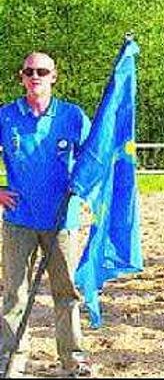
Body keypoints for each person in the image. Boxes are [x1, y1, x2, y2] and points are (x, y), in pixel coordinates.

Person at [0, 53, 95, 377]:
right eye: (30, 71)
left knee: (66, 294)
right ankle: (12, 361)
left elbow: (93, 159)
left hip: (62, 222)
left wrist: (83, 189)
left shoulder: (72, 116)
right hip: (18, 221)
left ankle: (73, 359)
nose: (35, 76)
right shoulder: (6, 116)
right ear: (22, 77)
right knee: (14, 295)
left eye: (43, 71)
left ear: (54, 76)